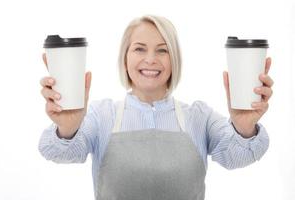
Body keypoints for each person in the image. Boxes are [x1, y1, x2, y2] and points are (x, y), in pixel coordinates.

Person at [38, 15, 273, 200]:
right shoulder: (101, 116)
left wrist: (244, 127)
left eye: (162, 50)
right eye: (139, 48)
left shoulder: (199, 117)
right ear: (125, 58)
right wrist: (67, 129)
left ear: (174, 60)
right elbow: (62, 153)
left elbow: (236, 157)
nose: (151, 59)